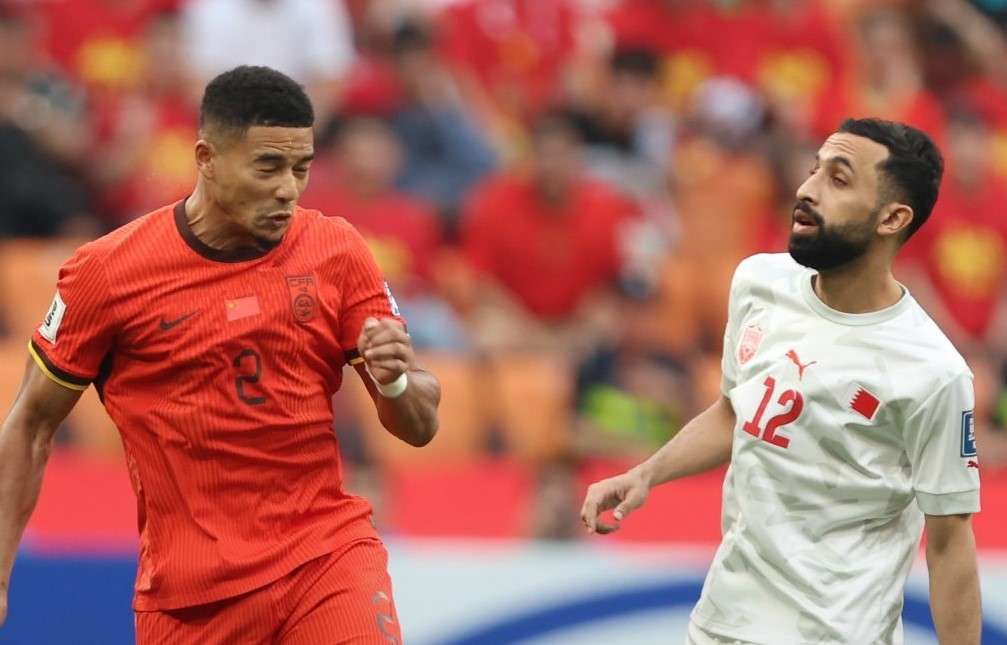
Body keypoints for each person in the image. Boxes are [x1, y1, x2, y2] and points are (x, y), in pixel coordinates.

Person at [0, 65, 440, 644]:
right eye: (268, 166)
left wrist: (397, 381)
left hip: (325, 560)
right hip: (190, 600)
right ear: (206, 158)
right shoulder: (108, 274)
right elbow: (31, 423)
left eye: (301, 168)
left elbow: (419, 427)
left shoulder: (336, 250)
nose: (288, 189)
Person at [581, 118, 981, 645]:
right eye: (815, 169)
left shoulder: (933, 371)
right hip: (722, 623)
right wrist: (647, 474)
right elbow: (735, 410)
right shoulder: (760, 282)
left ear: (892, 218)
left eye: (838, 179)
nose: (807, 189)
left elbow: (950, 543)